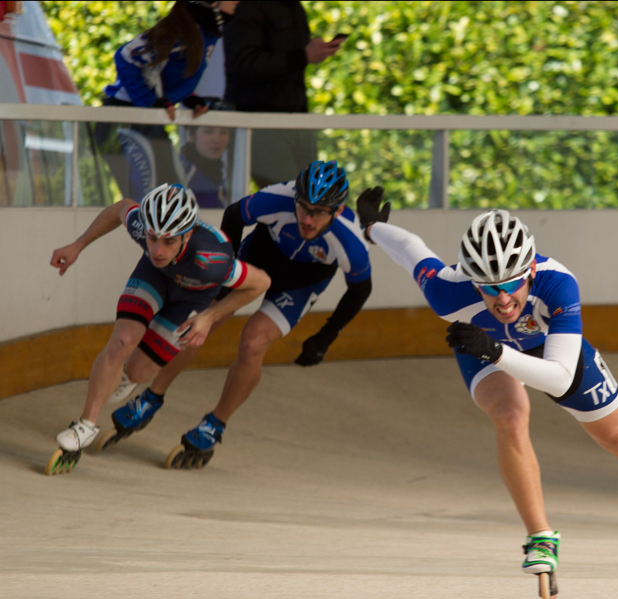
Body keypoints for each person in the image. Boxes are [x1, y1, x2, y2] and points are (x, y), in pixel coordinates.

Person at [355, 189, 618, 599]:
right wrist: (373, 228)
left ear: (530, 270)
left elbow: (558, 377)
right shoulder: (449, 293)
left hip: (537, 349)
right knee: (510, 415)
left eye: (512, 284)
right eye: (489, 287)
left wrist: (496, 351)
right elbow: (411, 250)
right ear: (471, 279)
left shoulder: (558, 284)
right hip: (483, 346)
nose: (502, 299)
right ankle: (540, 538)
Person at [105, 161, 372, 465]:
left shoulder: (351, 242)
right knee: (199, 324)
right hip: (257, 257)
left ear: (337, 211)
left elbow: (360, 290)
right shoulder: (277, 198)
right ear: (295, 198)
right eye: (304, 207)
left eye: (320, 212)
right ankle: (152, 397)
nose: (308, 220)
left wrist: (325, 337)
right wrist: (222, 265)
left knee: (253, 344)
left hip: (299, 285)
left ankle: (214, 424)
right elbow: (234, 213)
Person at [45, 183, 270, 475]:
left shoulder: (212, 259)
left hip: (193, 297)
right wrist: (77, 245)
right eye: (152, 238)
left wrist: (209, 317)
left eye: (169, 241)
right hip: (155, 277)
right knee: (123, 340)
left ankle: (127, 375)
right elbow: (119, 207)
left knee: (139, 372)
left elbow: (261, 283)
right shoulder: (143, 227)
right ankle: (86, 424)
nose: (158, 249)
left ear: (187, 235)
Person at [101, 1, 238, 199]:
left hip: (140, 120)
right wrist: (150, 102)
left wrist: (187, 98)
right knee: (153, 200)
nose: (238, 2)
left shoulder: (204, 33)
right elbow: (124, 57)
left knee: (170, 194)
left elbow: (166, 76)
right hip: (122, 119)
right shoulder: (179, 33)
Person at [222, 1, 346, 186]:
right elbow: (244, 64)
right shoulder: (249, 7)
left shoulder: (295, 8)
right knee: (287, 199)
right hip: (261, 126)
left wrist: (312, 53)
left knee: (311, 195)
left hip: (298, 123)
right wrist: (302, 56)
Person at [179, 125, 231, 208]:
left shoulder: (223, 172)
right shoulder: (181, 170)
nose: (217, 140)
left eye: (223, 132)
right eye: (208, 132)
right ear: (192, 136)